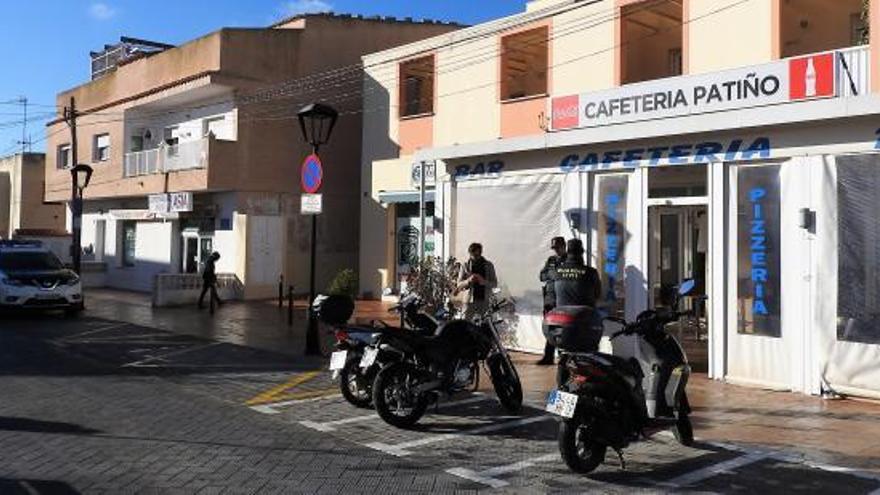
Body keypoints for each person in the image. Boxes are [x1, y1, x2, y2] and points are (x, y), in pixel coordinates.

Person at [537, 237, 566, 365]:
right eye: (554, 248)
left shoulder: (570, 259)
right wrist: (553, 274)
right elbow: (542, 276)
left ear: (564, 246)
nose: (556, 251)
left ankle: (563, 357)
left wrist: (556, 274)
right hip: (550, 300)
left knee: (562, 329)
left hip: (563, 300)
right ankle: (548, 357)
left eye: (558, 248)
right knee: (550, 328)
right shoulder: (551, 260)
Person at [455, 243, 497, 320]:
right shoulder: (465, 265)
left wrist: (483, 281)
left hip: (484, 301)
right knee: (465, 325)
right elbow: (459, 285)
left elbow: (494, 284)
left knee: (484, 325)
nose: (475, 258)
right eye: (473, 255)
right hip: (469, 301)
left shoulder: (488, 265)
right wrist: (468, 281)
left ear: (481, 253)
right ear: (470, 254)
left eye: (477, 255)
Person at [554, 239, 601, 308]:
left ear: (567, 253)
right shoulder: (590, 272)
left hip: (561, 314)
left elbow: (552, 293)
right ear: (582, 252)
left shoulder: (557, 271)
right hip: (585, 315)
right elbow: (597, 294)